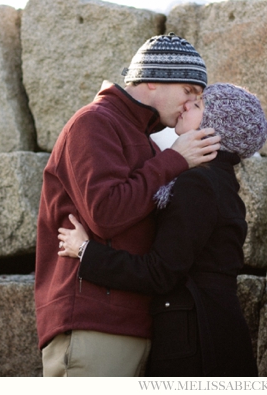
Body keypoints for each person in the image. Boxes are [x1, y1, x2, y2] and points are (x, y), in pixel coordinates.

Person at [35, 33, 222, 377]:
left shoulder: (146, 142)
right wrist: (174, 160)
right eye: (188, 92)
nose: (190, 104)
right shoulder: (94, 122)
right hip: (94, 324)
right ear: (152, 80)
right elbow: (106, 214)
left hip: (137, 323)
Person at [57, 83, 267, 377]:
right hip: (207, 328)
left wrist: (86, 251)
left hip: (196, 338)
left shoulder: (199, 184)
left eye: (197, 105)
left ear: (214, 128)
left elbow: (160, 272)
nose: (186, 105)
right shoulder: (218, 181)